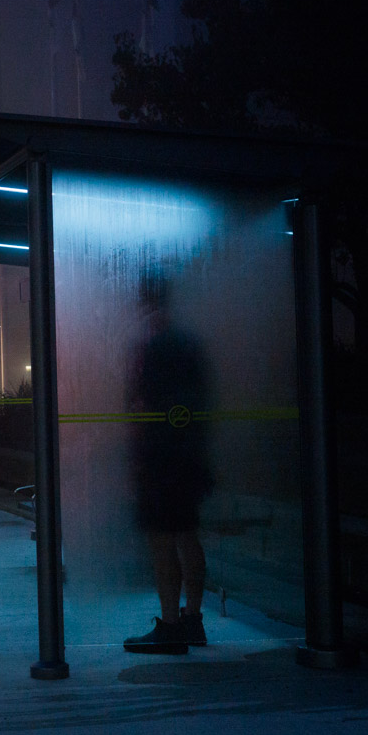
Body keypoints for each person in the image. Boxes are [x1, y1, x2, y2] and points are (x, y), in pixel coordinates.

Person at [123, 271, 213, 655]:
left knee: (161, 539)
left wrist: (136, 457)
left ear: (145, 301)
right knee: (187, 534)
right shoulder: (189, 344)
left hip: (160, 458)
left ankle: (170, 625)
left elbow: (140, 407)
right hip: (189, 454)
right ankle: (192, 618)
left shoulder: (150, 347)